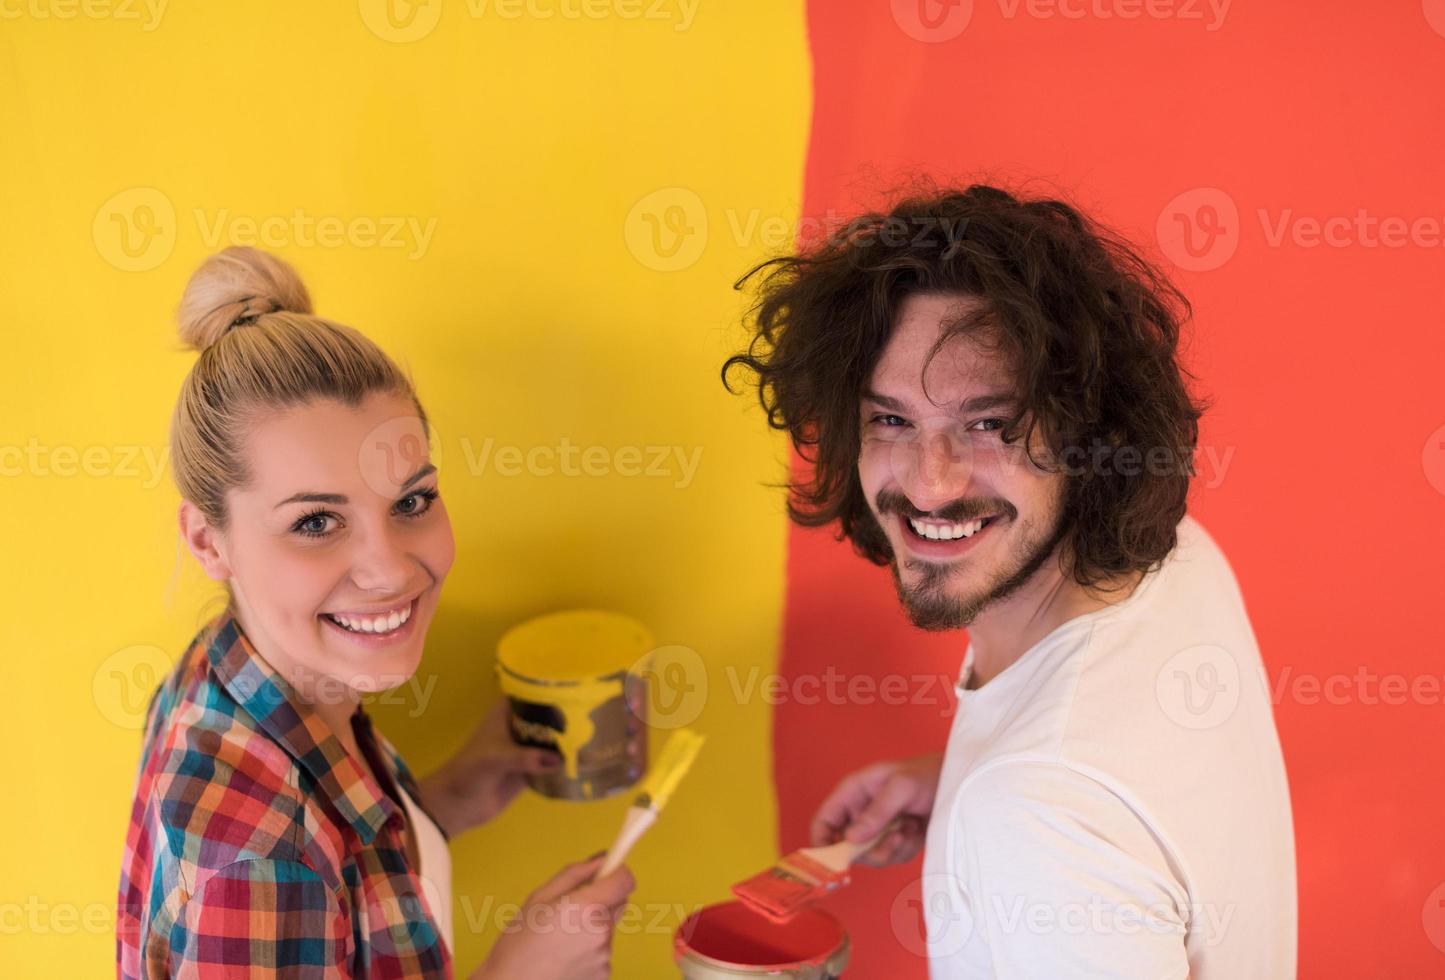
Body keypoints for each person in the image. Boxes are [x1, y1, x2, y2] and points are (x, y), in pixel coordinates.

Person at [724, 184, 1296, 977]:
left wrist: (1000, 799)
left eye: (988, 424)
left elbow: (1058, 802)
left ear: (1091, 434)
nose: (929, 485)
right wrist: (960, 779)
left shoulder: (1034, 821)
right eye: (889, 419)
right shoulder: (1178, 559)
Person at [117, 246, 635, 979]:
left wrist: (441, 802)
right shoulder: (263, 864)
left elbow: (336, 884)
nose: (391, 569)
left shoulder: (234, 665)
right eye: (315, 523)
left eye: (412, 502)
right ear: (209, 542)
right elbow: (292, 868)